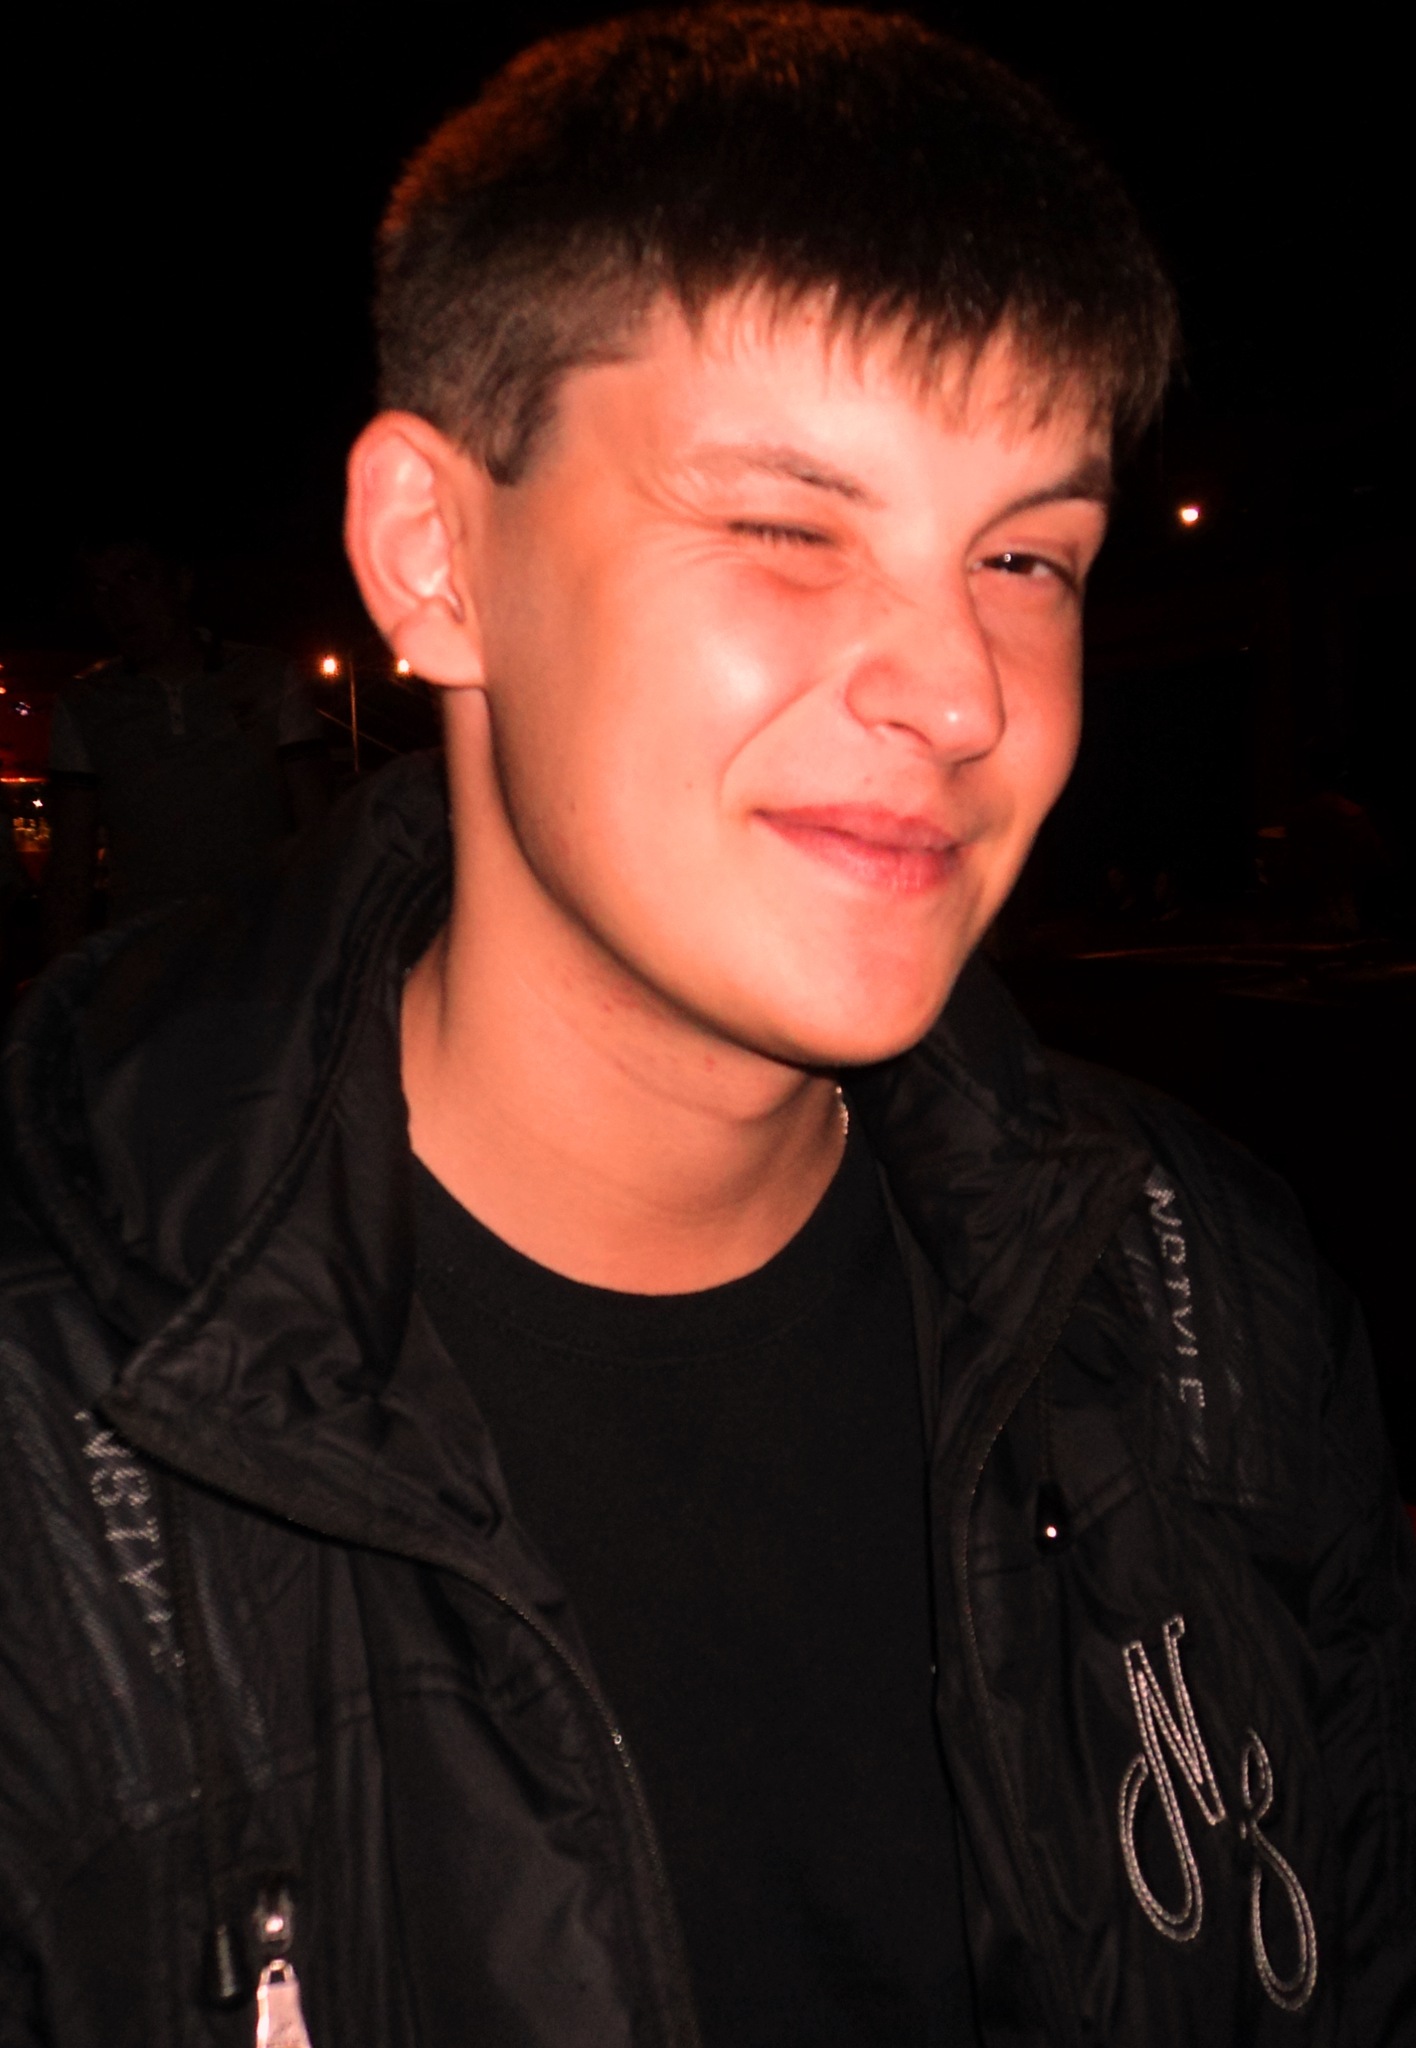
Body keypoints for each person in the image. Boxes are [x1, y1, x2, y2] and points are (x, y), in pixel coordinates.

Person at [1, 9, 1412, 2044]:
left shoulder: (1215, 1304)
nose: (963, 692)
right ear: (435, 558)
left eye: (1026, 554)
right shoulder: (54, 1441)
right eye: (785, 526)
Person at [41, 535, 331, 956]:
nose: (117, 603)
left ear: (181, 583)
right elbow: (70, 864)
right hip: (146, 958)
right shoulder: (85, 702)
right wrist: (61, 980)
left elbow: (319, 828)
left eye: (135, 578)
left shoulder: (268, 677)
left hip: (263, 950)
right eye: (101, 588)